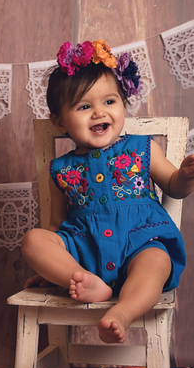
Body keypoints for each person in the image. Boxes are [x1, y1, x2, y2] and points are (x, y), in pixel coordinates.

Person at [21, 39, 194, 344]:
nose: (99, 112)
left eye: (109, 102)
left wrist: (185, 175)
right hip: (85, 255)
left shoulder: (143, 148)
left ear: (123, 104)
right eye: (84, 106)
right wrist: (56, 269)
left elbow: (174, 187)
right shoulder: (60, 170)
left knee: (156, 260)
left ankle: (123, 312)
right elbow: (55, 227)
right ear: (59, 121)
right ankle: (86, 281)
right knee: (34, 240)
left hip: (139, 244)